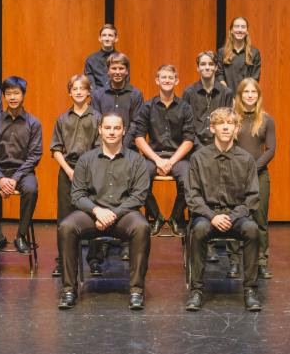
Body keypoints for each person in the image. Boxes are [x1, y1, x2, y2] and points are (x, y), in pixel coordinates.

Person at [56, 111, 151, 310]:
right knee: (66, 226)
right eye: (107, 128)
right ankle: (68, 290)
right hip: (92, 214)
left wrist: (113, 214)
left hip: (124, 214)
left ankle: (136, 291)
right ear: (100, 130)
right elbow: (78, 195)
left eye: (117, 128)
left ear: (124, 131)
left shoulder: (136, 160)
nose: (112, 132)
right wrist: (98, 212)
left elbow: (139, 196)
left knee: (141, 227)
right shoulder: (86, 159)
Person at [184, 107, 263, 312]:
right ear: (212, 128)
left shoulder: (246, 159)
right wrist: (213, 216)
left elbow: (253, 197)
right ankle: (197, 290)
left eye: (230, 123)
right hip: (206, 215)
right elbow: (192, 196)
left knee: (252, 230)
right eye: (221, 123)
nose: (226, 127)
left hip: (236, 215)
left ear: (237, 128)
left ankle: (250, 290)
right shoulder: (198, 158)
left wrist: (230, 216)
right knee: (199, 230)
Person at [0, 76, 43, 257]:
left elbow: (34, 155)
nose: (12, 97)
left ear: (23, 95)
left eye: (16, 93)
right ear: (4, 97)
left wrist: (14, 180)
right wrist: (1, 178)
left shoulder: (33, 123)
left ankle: (21, 235)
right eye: (8, 94)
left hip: (23, 172)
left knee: (31, 189)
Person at [131, 64, 195, 236]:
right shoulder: (147, 106)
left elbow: (189, 140)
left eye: (170, 78)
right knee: (138, 178)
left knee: (189, 180)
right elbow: (138, 137)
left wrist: (171, 161)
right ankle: (157, 217)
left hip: (178, 157)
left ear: (177, 81)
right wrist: (158, 160)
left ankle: (175, 217)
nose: (167, 80)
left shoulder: (185, 107)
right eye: (163, 77)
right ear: (157, 80)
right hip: (153, 156)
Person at [49, 74, 100, 278]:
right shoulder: (62, 119)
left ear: (88, 92)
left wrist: (83, 171)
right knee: (64, 217)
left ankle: (95, 259)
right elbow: (56, 149)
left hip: (91, 171)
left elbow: (99, 147)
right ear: (70, 92)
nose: (78, 92)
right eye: (74, 89)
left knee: (95, 213)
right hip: (67, 170)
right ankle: (63, 260)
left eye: (82, 88)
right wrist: (69, 170)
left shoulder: (97, 118)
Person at [234, 77, 276, 279]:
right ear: (240, 95)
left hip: (259, 174)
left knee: (260, 218)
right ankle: (234, 261)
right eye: (246, 92)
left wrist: (253, 168)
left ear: (258, 96)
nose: (250, 96)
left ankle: (261, 261)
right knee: (234, 216)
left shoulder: (266, 119)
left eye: (254, 92)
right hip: (234, 174)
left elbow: (271, 150)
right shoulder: (232, 118)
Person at [183, 50, 233, 146]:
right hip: (194, 147)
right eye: (203, 64)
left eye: (211, 64)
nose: (207, 67)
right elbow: (186, 126)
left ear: (216, 67)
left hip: (219, 145)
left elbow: (228, 124)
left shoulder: (227, 93)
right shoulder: (188, 92)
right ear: (198, 68)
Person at [90, 52, 144, 139]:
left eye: (121, 68)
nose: (117, 72)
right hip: (103, 146)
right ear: (108, 71)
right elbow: (96, 123)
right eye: (114, 68)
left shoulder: (136, 94)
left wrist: (122, 146)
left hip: (128, 147)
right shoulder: (98, 95)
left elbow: (136, 124)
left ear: (127, 71)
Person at [219, 16, 261, 89]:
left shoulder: (254, 53)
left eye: (243, 27)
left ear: (247, 31)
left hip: (246, 97)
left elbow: (255, 78)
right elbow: (219, 76)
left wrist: (242, 96)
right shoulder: (222, 52)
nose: (240, 30)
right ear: (231, 30)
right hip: (227, 97)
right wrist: (229, 96)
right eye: (237, 26)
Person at [83, 23, 120, 91]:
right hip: (98, 99)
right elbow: (91, 86)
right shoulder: (91, 60)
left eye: (110, 35)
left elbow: (125, 83)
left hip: (117, 98)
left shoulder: (122, 59)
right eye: (104, 35)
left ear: (116, 39)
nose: (107, 38)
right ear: (100, 38)